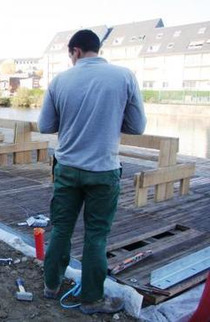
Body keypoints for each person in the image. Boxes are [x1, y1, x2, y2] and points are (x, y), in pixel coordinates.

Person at [38, 29, 146, 315]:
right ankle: (91, 299)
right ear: (96, 49)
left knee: (61, 228)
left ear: (75, 51)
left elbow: (45, 126)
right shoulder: (124, 76)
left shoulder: (60, 80)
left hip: (67, 169)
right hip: (103, 171)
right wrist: (107, 120)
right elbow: (137, 127)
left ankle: (51, 285)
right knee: (96, 236)